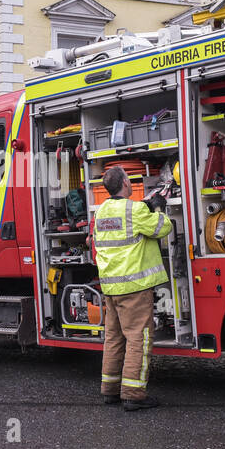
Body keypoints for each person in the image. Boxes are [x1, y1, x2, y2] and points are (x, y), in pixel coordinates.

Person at [90, 165, 173, 412]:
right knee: (138, 338)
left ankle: (110, 390)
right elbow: (161, 228)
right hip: (134, 287)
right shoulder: (134, 209)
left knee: (114, 338)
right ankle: (134, 394)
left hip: (111, 287)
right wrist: (159, 207)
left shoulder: (101, 211)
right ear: (126, 184)